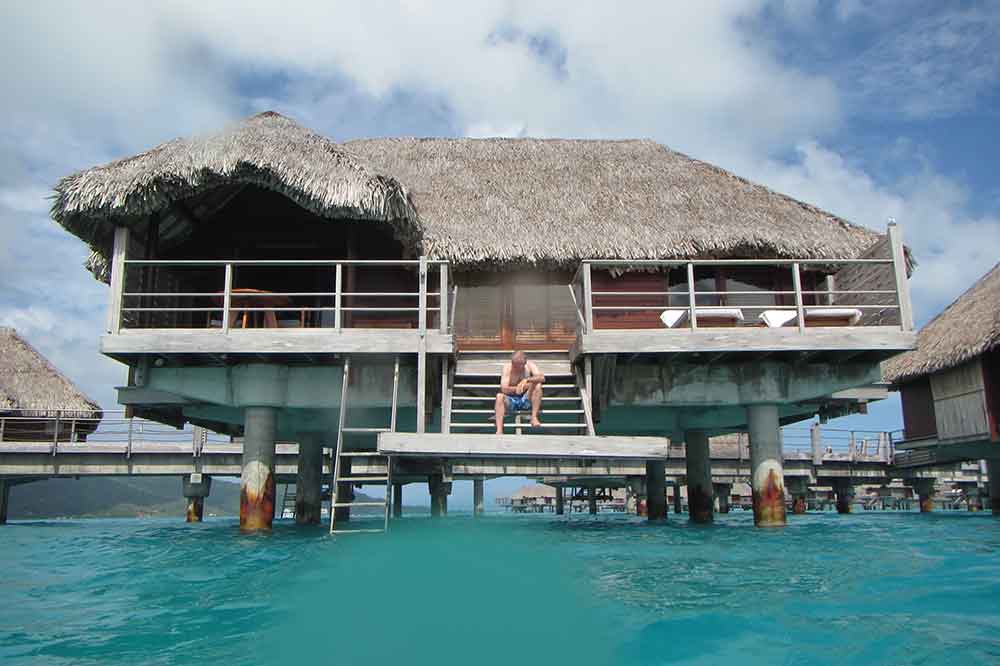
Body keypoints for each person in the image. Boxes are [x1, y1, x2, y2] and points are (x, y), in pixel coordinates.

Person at [494, 351, 545, 435]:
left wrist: (527, 380)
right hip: (511, 400)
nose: (518, 368)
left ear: (524, 363)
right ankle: (499, 430)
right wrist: (517, 388)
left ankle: (534, 417)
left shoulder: (530, 365)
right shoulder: (507, 368)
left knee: (538, 386)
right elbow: (504, 389)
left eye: (520, 365)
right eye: (516, 365)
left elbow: (542, 378)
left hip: (526, 398)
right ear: (512, 363)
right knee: (499, 396)